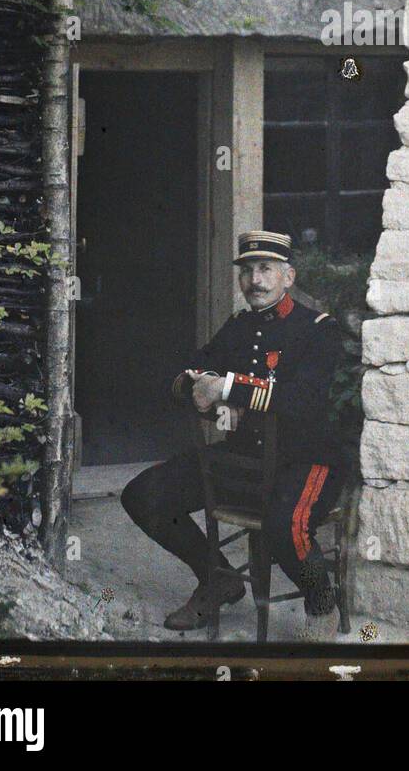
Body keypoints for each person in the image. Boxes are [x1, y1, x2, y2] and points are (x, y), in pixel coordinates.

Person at [121, 231, 345, 640]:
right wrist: (199, 387)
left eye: (265, 270)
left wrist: (224, 388)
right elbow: (190, 371)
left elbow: (302, 402)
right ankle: (217, 578)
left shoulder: (317, 330)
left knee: (284, 527)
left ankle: (321, 604)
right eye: (246, 271)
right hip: (244, 460)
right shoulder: (239, 327)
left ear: (288, 276)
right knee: (144, 495)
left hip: (307, 459)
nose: (254, 280)